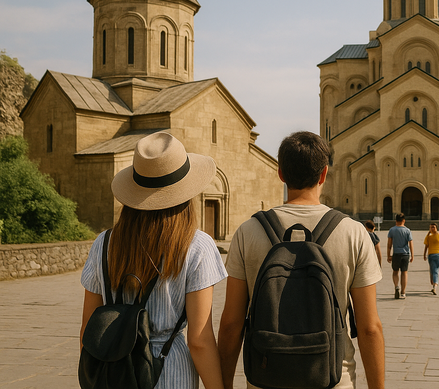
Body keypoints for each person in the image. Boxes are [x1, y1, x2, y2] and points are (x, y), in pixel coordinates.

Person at [218, 131, 385, 389]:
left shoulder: (248, 232)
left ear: (281, 173)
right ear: (324, 174)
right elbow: (369, 328)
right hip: (332, 379)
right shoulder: (353, 232)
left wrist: (224, 385)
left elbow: (231, 324)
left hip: (267, 379)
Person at [79, 131, 227, 389]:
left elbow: (87, 330)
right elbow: (199, 340)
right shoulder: (197, 246)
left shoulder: (104, 243)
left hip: (115, 372)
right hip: (169, 369)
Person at [386, 213, 413, 299]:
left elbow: (389, 244)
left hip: (396, 253)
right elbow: (410, 243)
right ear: (404, 220)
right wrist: (412, 254)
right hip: (405, 254)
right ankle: (403, 292)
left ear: (396, 221)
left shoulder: (392, 230)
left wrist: (388, 255)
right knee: (404, 272)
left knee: (395, 272)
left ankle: (396, 286)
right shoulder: (407, 230)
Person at [422, 223, 439, 294]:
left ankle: (435, 285)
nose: (432, 229)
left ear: (436, 228)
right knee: (433, 270)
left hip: (438, 254)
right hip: (431, 255)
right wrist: (424, 254)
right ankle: (434, 283)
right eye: (430, 227)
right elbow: (426, 246)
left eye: (433, 227)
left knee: (435, 270)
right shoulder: (428, 237)